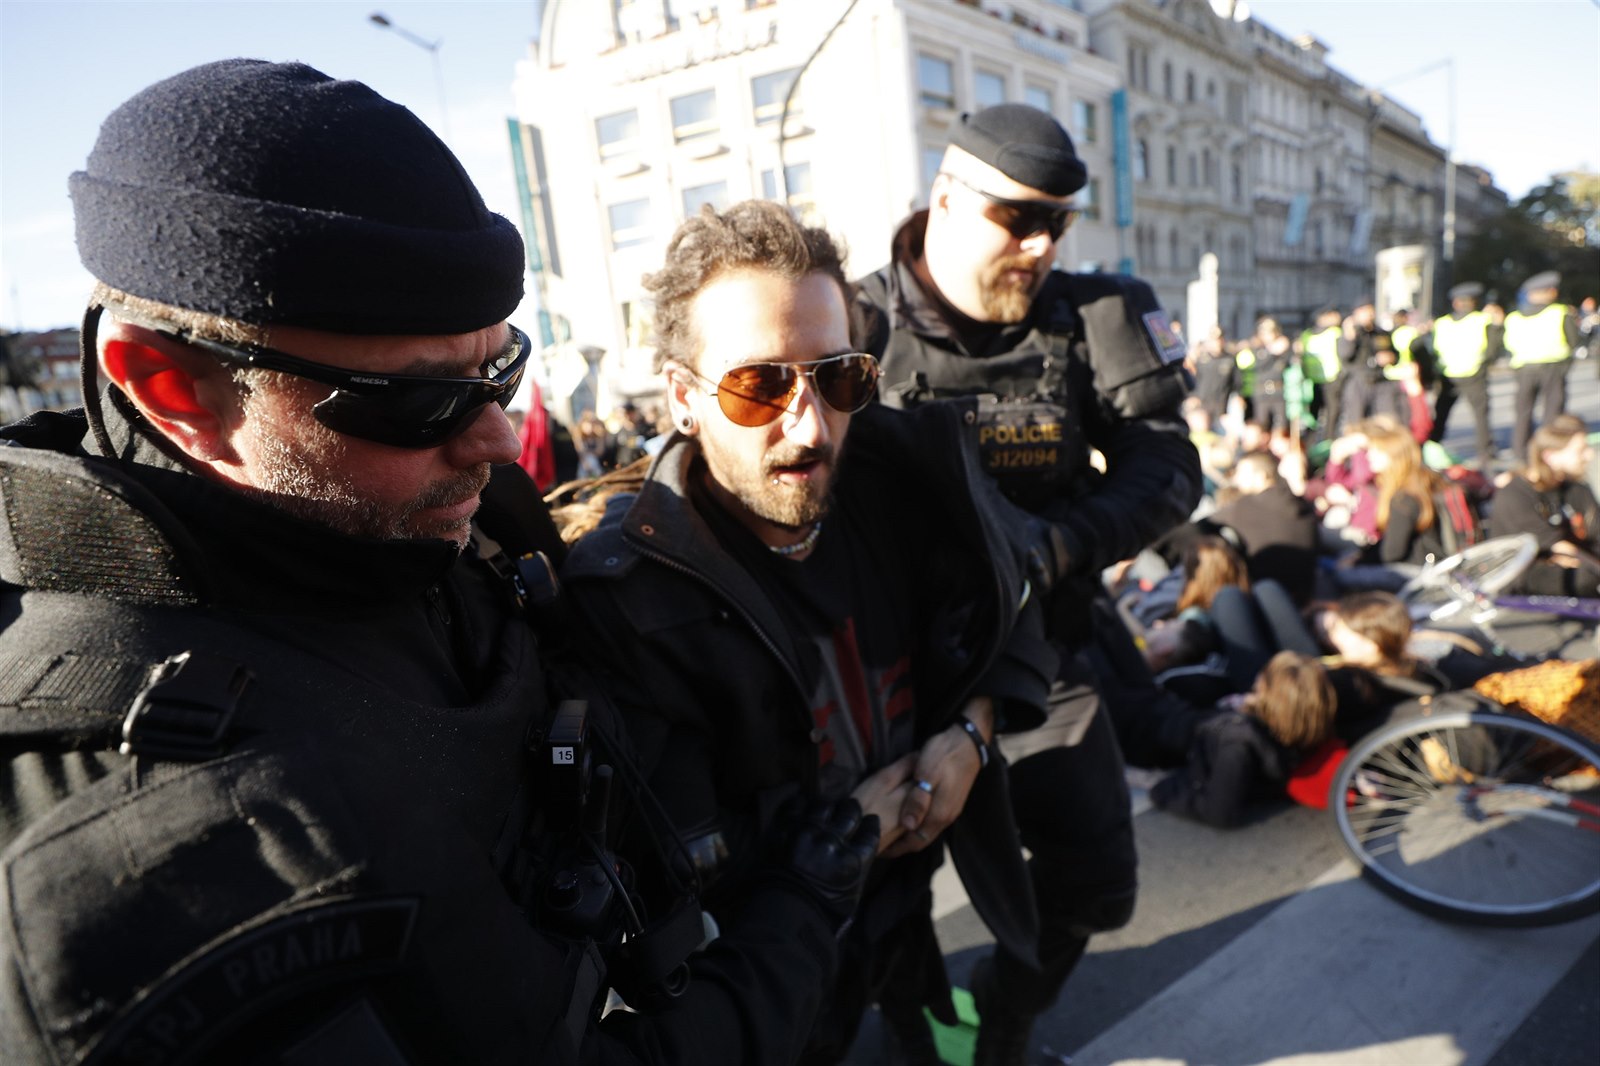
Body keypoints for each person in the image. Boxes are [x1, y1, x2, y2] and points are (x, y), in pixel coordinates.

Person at [0, 61, 881, 1066]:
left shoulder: (425, 509)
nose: (498, 440)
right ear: (173, 386)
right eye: (420, 399)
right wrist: (797, 919)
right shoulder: (148, 858)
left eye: (500, 367)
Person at [557, 201, 1055, 1065]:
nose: (811, 426)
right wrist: (840, 842)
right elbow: (668, 864)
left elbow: (1013, 600)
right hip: (777, 967)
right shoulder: (628, 600)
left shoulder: (906, 486)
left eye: (839, 379)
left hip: (906, 898)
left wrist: (976, 733)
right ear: (684, 398)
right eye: (759, 386)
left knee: (923, 1023)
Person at [854, 103, 1201, 1065]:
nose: (1042, 244)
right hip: (891, 670)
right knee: (884, 902)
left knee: (1097, 885)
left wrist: (1055, 545)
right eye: (1018, 218)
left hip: (1048, 652)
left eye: (1059, 222)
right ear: (946, 199)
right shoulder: (855, 321)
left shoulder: (1095, 314)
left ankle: (1001, 1023)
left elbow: (1168, 465)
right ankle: (921, 1041)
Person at [1148, 651, 1338, 829]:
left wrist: (1161, 789)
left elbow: (1219, 813)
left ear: (1265, 687)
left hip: (1178, 747)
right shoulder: (1310, 722)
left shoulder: (1238, 743)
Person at [1487, 413, 1600, 597]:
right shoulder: (1516, 494)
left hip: (1574, 561)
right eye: (1580, 450)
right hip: (1527, 575)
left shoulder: (1576, 488)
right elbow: (1557, 547)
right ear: (1549, 456)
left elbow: (1595, 532)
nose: (1589, 455)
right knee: (1585, 578)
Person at [1422, 282, 1502, 465]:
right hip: (1473, 374)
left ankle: (1432, 447)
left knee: (1441, 415)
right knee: (1480, 416)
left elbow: (1433, 350)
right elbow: (1492, 349)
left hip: (1447, 375)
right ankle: (1486, 453)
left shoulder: (1441, 323)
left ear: (1455, 303)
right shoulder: (1482, 320)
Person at [1505, 271, 1582, 459]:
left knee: (1523, 413)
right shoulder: (1560, 312)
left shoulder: (1513, 317)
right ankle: (1548, 452)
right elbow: (1573, 340)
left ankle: (1521, 453)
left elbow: (1508, 344)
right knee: (1552, 413)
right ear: (1549, 292)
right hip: (1553, 368)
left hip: (1524, 369)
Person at [1362, 421, 1452, 566]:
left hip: (1418, 570)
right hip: (1436, 562)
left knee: (1339, 573)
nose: (1368, 456)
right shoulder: (1424, 481)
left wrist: (1359, 560)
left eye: (1375, 451)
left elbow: (1391, 553)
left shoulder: (1403, 498)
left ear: (1393, 457)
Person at [1339, 301, 1407, 427]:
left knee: (1388, 420)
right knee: (1356, 422)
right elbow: (1344, 355)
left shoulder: (1381, 333)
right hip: (1359, 381)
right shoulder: (1352, 334)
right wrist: (1349, 336)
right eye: (1364, 311)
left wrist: (1390, 358)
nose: (1369, 315)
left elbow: (1395, 355)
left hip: (1380, 380)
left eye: (1370, 311)